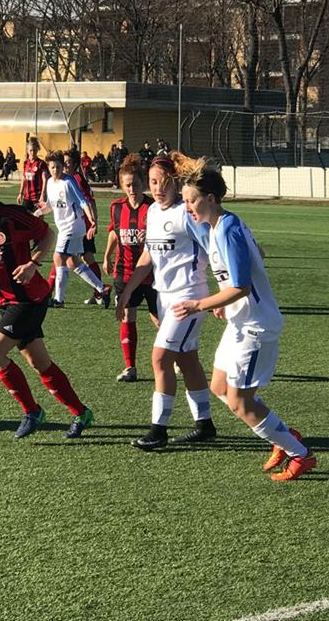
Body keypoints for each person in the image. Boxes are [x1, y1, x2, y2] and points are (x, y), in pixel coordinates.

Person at [173, 160, 317, 480]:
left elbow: (242, 286)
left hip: (256, 327)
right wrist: (226, 299)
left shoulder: (226, 228)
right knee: (219, 386)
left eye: (191, 200)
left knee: (240, 403)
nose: (187, 207)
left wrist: (200, 304)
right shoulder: (219, 226)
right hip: (240, 322)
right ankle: (282, 434)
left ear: (211, 199)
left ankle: (300, 454)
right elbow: (256, 258)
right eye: (184, 201)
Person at [0, 167, 94, 439]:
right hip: (6, 303)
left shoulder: (10, 216)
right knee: (39, 362)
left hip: (30, 298)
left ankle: (32, 411)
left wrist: (33, 263)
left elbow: (47, 234)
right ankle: (81, 412)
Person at [115, 152, 216, 450]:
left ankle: (158, 429)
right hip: (165, 297)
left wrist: (222, 295)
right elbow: (148, 256)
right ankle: (205, 424)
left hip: (189, 297)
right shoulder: (153, 212)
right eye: (153, 182)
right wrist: (127, 291)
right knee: (187, 359)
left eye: (164, 182)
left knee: (160, 357)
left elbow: (215, 248)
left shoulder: (186, 213)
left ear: (175, 182)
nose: (158, 188)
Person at [104, 153, 158, 382]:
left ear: (142, 183)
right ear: (121, 185)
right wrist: (107, 256)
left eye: (135, 184)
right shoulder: (116, 207)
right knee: (127, 316)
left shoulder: (154, 208)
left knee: (159, 319)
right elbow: (115, 233)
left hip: (153, 273)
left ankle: (175, 356)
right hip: (124, 271)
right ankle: (130, 367)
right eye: (127, 185)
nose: (131, 189)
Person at [39, 150, 109, 309]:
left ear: (62, 166)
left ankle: (58, 299)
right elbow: (50, 206)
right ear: (48, 168)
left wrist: (92, 219)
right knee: (72, 262)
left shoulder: (68, 182)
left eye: (58, 167)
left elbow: (83, 201)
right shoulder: (50, 183)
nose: (55, 170)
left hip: (73, 226)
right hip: (65, 228)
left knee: (58, 257)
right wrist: (37, 213)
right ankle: (102, 289)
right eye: (52, 167)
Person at [64, 148, 108, 305]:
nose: (65, 166)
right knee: (85, 258)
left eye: (68, 163)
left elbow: (88, 201)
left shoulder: (76, 179)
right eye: (64, 162)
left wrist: (93, 222)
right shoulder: (72, 178)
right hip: (80, 225)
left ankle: (52, 295)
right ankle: (100, 292)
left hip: (82, 226)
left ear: (75, 164)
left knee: (65, 257)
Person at [17, 138, 49, 213]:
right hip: (27, 197)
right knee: (24, 217)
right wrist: (20, 193)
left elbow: (45, 179)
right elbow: (24, 178)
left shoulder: (41, 163)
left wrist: (43, 195)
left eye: (34, 150)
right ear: (27, 150)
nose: (33, 152)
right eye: (31, 150)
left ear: (37, 150)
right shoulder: (25, 163)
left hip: (37, 197)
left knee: (37, 217)